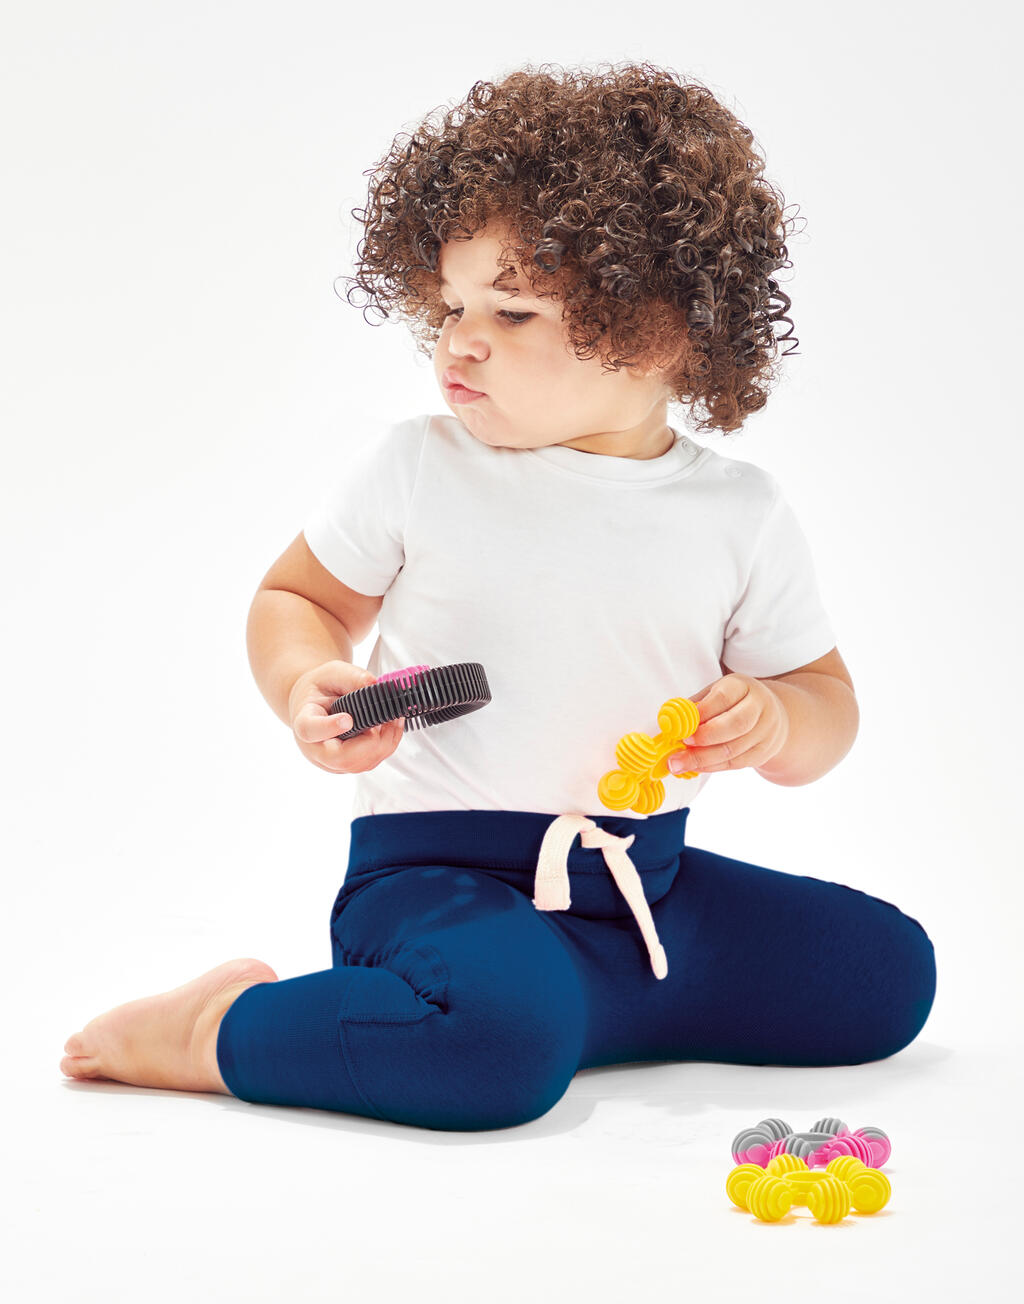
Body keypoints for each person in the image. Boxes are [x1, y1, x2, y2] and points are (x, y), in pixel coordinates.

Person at [60, 62, 936, 1130]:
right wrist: (304, 679)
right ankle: (220, 1029)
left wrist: (779, 721)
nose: (460, 339)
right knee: (495, 1047)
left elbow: (824, 704)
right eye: (452, 304)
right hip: (435, 883)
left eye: (513, 312)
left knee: (888, 975)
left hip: (641, 889)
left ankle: (575, 1009)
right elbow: (297, 598)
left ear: (660, 329)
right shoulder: (420, 467)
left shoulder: (738, 512)